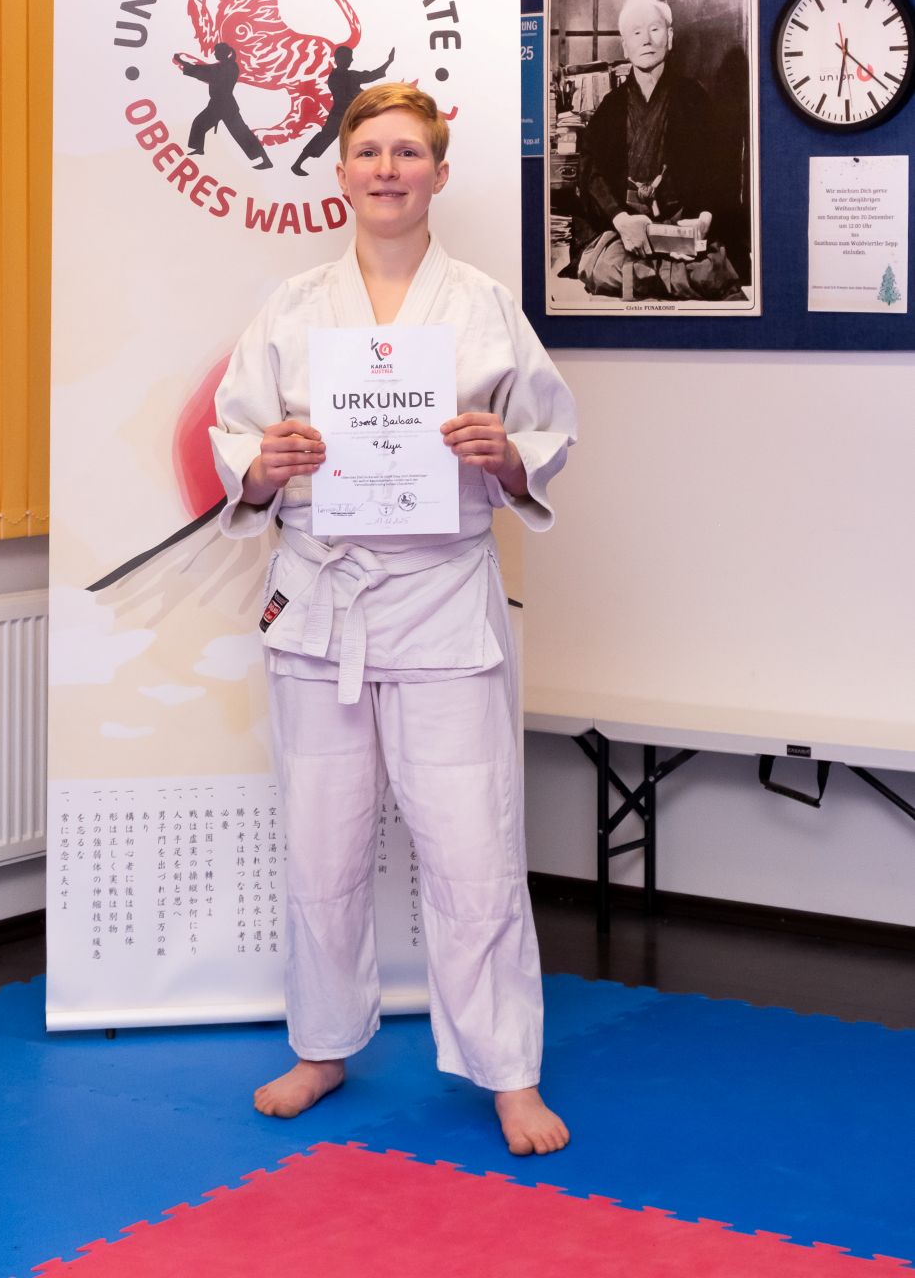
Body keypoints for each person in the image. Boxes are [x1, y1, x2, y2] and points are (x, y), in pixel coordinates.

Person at [210, 83, 577, 1156]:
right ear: (339, 172)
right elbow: (239, 442)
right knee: (320, 843)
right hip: (320, 594)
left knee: (473, 846)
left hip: (442, 594)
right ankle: (322, 1045)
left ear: (438, 172)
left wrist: (505, 456)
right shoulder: (290, 308)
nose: (386, 169)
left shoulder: (484, 306)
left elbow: (546, 433)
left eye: (407, 152)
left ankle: (507, 1071)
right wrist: (264, 465)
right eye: (367, 150)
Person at [576, 0, 743, 300]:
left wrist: (704, 218)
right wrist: (620, 219)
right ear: (625, 46)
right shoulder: (611, 106)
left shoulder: (695, 98)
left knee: (709, 273)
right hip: (629, 230)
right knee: (603, 268)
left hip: (680, 224)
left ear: (670, 37)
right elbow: (591, 171)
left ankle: (656, 276)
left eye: (654, 29)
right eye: (636, 33)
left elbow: (721, 166)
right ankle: (658, 276)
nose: (646, 40)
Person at [290, 43, 395, 176]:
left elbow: (372, 75)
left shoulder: (348, 75)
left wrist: (388, 62)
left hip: (349, 113)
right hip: (340, 115)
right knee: (323, 139)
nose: (352, 60)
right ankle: (297, 164)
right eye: (350, 57)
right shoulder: (339, 77)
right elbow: (345, 95)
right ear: (342, 59)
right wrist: (362, 96)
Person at [174, 42, 272, 169]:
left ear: (223, 53)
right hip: (218, 105)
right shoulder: (227, 66)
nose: (215, 54)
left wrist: (182, 61)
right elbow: (204, 70)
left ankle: (266, 160)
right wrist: (182, 62)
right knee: (199, 123)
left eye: (216, 52)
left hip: (225, 106)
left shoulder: (227, 68)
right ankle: (199, 148)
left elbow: (202, 70)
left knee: (242, 133)